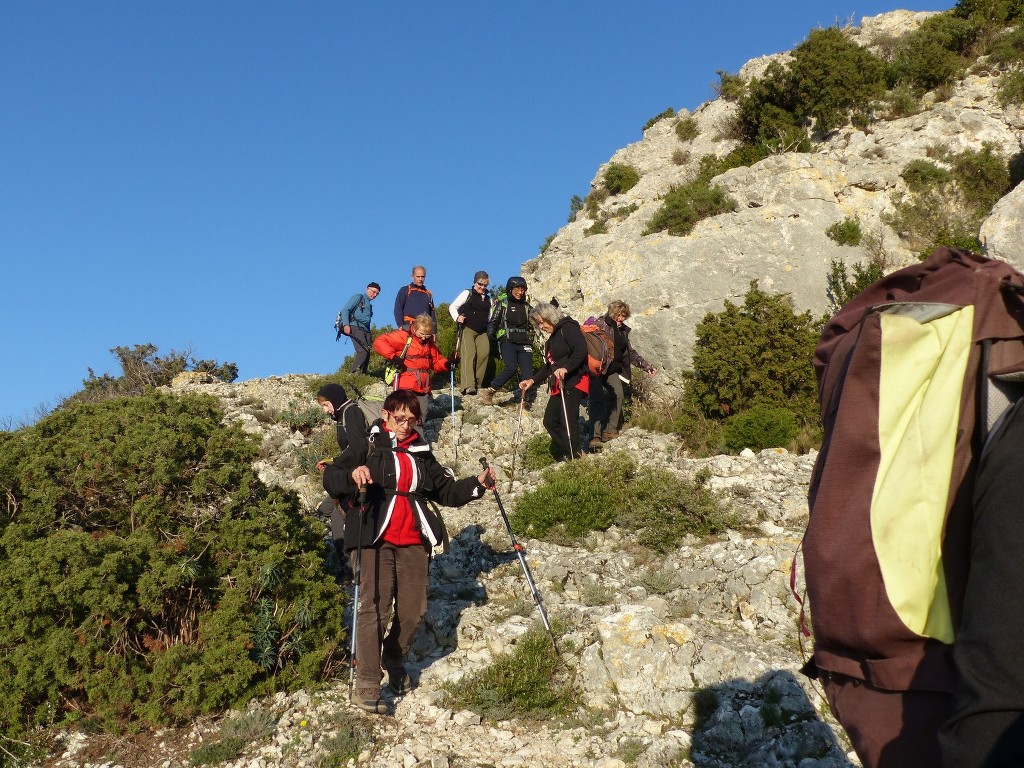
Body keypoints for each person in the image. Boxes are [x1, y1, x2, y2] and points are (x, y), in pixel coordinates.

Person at [322, 389, 495, 713]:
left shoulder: (420, 452)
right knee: (375, 608)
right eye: (398, 418)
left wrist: (477, 484)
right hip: (373, 538)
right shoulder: (368, 445)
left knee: (413, 612)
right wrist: (351, 475)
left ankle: (393, 657)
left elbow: (445, 490)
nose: (404, 425)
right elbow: (332, 477)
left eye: (411, 419)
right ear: (385, 416)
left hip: (414, 541)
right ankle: (368, 683)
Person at [518, 302, 589, 460]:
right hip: (560, 384)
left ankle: (576, 458)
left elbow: (581, 350)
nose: (541, 327)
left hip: (575, 379)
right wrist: (532, 380)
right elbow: (549, 366)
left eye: (542, 322)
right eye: (538, 325)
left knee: (568, 421)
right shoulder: (552, 340)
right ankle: (574, 453)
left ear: (549, 317)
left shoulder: (568, 328)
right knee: (550, 421)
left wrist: (567, 368)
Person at [587, 300, 656, 449]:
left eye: (624, 315)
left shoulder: (623, 331)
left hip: (611, 370)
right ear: (612, 312)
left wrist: (646, 366)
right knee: (597, 400)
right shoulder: (600, 324)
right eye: (619, 315)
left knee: (618, 394)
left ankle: (610, 431)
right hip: (597, 370)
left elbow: (630, 353)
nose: (621, 318)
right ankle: (595, 437)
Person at [373, 314, 452, 420]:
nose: (424, 337)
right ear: (415, 328)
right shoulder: (403, 337)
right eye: (421, 334)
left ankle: (417, 436)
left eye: (427, 335)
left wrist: (447, 364)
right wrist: (393, 357)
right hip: (406, 385)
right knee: (405, 418)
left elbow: (436, 362)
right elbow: (379, 342)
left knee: (420, 419)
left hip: (423, 389)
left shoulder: (429, 344)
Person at [482, 276, 533, 406]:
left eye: (522, 289)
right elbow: (493, 321)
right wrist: (491, 336)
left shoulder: (527, 307)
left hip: (524, 342)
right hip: (508, 341)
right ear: (510, 289)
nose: (520, 292)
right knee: (511, 368)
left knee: (527, 374)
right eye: (517, 289)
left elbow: (537, 320)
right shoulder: (503, 303)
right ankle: (491, 391)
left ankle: (523, 401)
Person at [448, 271, 492, 395]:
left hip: (482, 330)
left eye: (485, 285)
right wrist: (457, 318)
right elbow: (453, 307)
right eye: (480, 284)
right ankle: (468, 385)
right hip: (468, 328)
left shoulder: (489, 297)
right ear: (475, 282)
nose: (482, 287)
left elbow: (490, 315)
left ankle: (478, 383)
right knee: (469, 354)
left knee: (484, 353)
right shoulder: (467, 293)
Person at [338, 282, 380, 374]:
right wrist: (346, 325)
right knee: (362, 351)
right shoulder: (358, 297)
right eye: (373, 292)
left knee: (367, 352)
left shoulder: (369, 304)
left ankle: (361, 375)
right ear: (367, 289)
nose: (375, 295)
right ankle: (353, 375)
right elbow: (345, 310)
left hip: (365, 330)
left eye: (377, 293)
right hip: (355, 326)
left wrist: (369, 334)